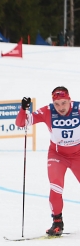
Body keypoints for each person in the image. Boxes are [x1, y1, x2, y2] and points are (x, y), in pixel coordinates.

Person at [16, 87, 80, 236]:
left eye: (64, 103)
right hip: (58, 155)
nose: (61, 108)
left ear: (70, 100)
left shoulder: (78, 108)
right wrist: (23, 109)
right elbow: (21, 123)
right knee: (56, 187)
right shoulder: (47, 111)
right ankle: (57, 222)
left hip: (78, 155)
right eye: (57, 104)